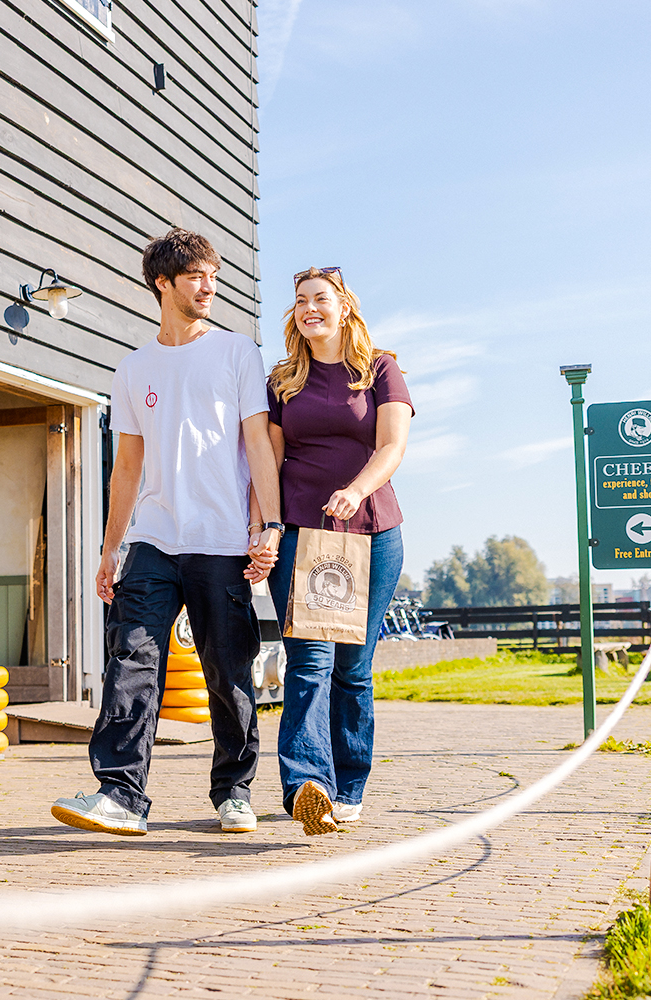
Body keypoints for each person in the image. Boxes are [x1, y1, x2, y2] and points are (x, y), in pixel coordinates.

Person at [51, 229, 282, 837]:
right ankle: (121, 793)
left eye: (213, 276)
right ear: (163, 283)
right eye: (197, 277)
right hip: (153, 539)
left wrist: (269, 524)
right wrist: (109, 549)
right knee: (132, 656)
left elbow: (258, 443)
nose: (210, 287)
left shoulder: (237, 352)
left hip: (224, 538)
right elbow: (126, 465)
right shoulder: (133, 368)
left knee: (228, 670)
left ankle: (234, 790)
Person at [265, 266, 412, 835]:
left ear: (343, 306)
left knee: (352, 666)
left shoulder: (379, 369)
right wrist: (266, 526)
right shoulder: (283, 381)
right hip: (305, 534)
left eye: (319, 299)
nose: (308, 308)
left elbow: (393, 445)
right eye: (299, 300)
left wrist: (356, 490)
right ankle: (309, 787)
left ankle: (348, 787)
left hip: (371, 533)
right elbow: (268, 462)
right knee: (308, 661)